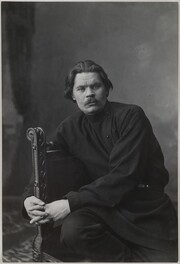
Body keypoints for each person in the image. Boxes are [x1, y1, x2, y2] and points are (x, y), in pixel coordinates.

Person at [22, 60, 178, 262]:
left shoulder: (131, 116)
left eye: (95, 86)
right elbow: (47, 162)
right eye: (81, 88)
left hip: (143, 209)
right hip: (101, 207)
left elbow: (125, 175)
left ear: (107, 89)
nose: (89, 93)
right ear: (72, 95)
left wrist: (69, 204)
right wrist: (28, 198)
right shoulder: (69, 127)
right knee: (73, 230)